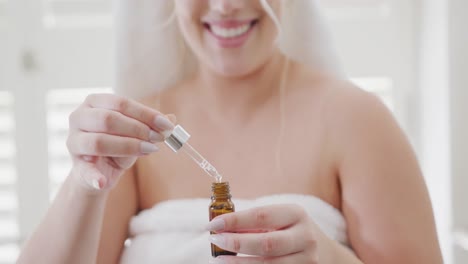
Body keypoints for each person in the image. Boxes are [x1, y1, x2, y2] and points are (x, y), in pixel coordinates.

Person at [17, 0, 443, 263]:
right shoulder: (137, 132)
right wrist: (82, 185)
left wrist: (331, 261)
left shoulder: (358, 120)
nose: (225, 5)